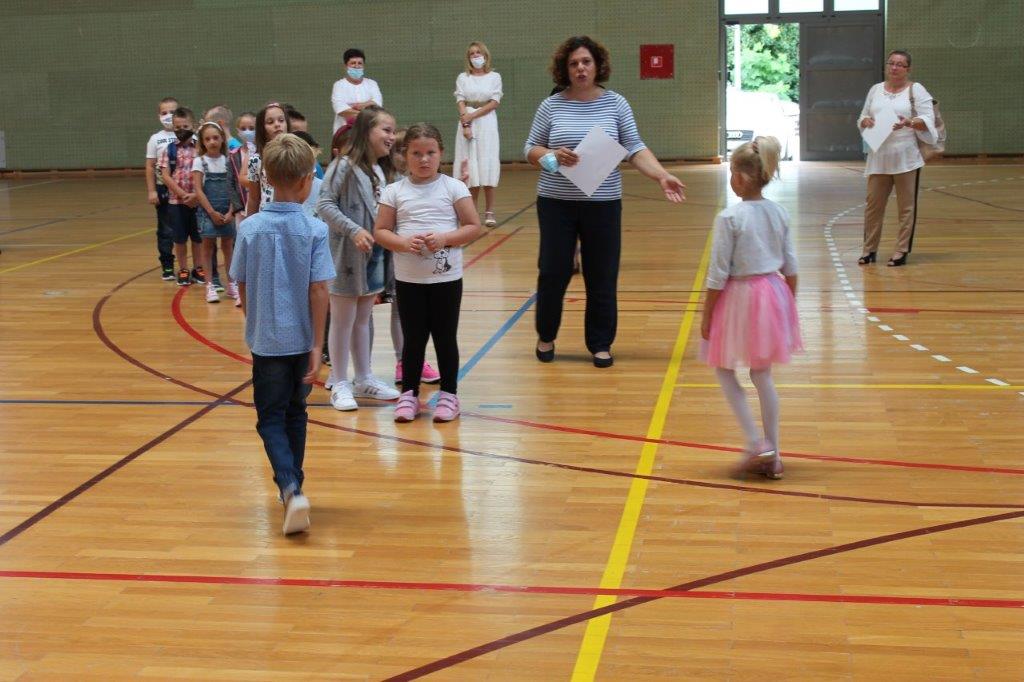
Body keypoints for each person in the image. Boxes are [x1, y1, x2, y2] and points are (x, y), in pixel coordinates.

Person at [524, 35, 686, 367]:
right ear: (565, 69)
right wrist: (551, 155)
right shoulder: (551, 105)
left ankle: (600, 343)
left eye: (586, 61)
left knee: (602, 273)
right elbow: (530, 148)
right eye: (573, 63)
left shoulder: (616, 104)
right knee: (553, 271)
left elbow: (635, 147)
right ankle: (546, 335)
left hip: (603, 203)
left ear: (598, 65)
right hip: (556, 202)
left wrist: (661, 175)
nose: (580, 68)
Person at [229, 133, 335, 535]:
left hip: (267, 343)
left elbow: (239, 280)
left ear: (266, 178)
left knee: (270, 417)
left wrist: (254, 320)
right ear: (307, 180)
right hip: (302, 340)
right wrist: (317, 344)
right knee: (296, 412)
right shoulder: (315, 229)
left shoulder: (249, 228)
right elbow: (319, 289)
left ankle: (290, 487)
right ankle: (295, 488)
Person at [700, 136, 801, 480]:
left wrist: (707, 316)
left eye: (732, 172)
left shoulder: (730, 217)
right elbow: (791, 267)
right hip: (772, 295)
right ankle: (775, 454)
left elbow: (717, 274)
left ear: (741, 178)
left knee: (724, 369)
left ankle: (756, 442)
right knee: (762, 374)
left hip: (739, 298)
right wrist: (787, 308)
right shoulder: (779, 212)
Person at [374, 123, 481, 423]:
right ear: (404, 155)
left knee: (445, 338)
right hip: (409, 281)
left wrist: (445, 238)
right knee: (413, 339)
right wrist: (403, 243)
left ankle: (449, 395)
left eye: (430, 153)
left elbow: (473, 226)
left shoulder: (453, 187)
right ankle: (409, 394)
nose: (424, 159)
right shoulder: (394, 191)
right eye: (416, 153)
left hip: (446, 280)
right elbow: (381, 231)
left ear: (440, 153)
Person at [316, 106, 402, 410]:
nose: (392, 137)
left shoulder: (382, 169)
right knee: (342, 320)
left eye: (393, 131)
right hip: (346, 256)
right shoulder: (343, 165)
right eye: (386, 130)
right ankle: (340, 381)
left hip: (375, 254)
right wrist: (353, 230)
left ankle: (364, 378)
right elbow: (324, 204)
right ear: (367, 131)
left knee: (363, 319)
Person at [857, 49, 937, 267]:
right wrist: (865, 122)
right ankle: (869, 250)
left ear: (908, 69)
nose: (894, 67)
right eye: (891, 63)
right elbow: (863, 115)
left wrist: (909, 122)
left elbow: (928, 120)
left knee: (906, 208)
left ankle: (901, 250)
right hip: (879, 157)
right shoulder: (875, 89)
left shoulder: (916, 89)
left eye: (900, 64)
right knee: (873, 207)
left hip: (906, 158)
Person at [191, 121, 243, 304]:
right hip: (208, 212)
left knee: (228, 247)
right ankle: (210, 285)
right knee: (207, 247)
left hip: (227, 211)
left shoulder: (229, 161)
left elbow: (234, 188)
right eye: (207, 139)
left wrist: (231, 211)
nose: (212, 142)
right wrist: (211, 212)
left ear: (222, 139)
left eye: (215, 138)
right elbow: (198, 190)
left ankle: (232, 284)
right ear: (202, 142)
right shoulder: (199, 162)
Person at [452, 41, 503, 228]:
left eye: (479, 53)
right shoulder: (463, 77)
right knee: (470, 167)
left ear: (485, 56)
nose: (476, 56)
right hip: (467, 122)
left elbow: (494, 101)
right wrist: (466, 122)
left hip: (486, 122)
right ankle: (471, 212)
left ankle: (489, 211)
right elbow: (460, 100)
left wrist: (473, 115)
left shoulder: (495, 76)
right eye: (472, 53)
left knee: (487, 164)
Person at [157, 107, 205, 287]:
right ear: (173, 128)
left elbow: (206, 172)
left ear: (193, 126)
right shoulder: (168, 150)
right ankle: (183, 269)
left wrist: (196, 195)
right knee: (179, 238)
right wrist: (183, 194)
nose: (181, 130)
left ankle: (199, 267)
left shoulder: (200, 148)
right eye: (178, 127)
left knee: (198, 238)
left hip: (198, 201)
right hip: (176, 202)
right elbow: (165, 175)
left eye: (185, 126)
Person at [144, 96, 179, 281]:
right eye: (164, 113)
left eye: (172, 112)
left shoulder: (189, 135)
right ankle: (167, 265)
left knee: (191, 229)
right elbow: (150, 166)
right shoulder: (155, 139)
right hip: (163, 189)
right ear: (159, 116)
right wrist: (152, 191)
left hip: (185, 189)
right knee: (166, 229)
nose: (168, 116)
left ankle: (195, 266)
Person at [245, 103, 291, 216]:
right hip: (266, 218)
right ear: (262, 129)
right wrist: (249, 224)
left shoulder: (298, 155)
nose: (277, 124)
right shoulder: (256, 160)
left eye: (281, 120)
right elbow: (253, 199)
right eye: (270, 122)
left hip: (292, 216)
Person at [331, 48, 383, 133]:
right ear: (345, 66)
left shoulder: (372, 84)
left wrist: (357, 106)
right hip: (345, 134)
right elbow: (341, 110)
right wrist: (368, 106)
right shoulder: (339, 85)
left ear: (363, 66)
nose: (356, 66)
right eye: (353, 63)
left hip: (368, 132)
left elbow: (377, 106)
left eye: (360, 63)